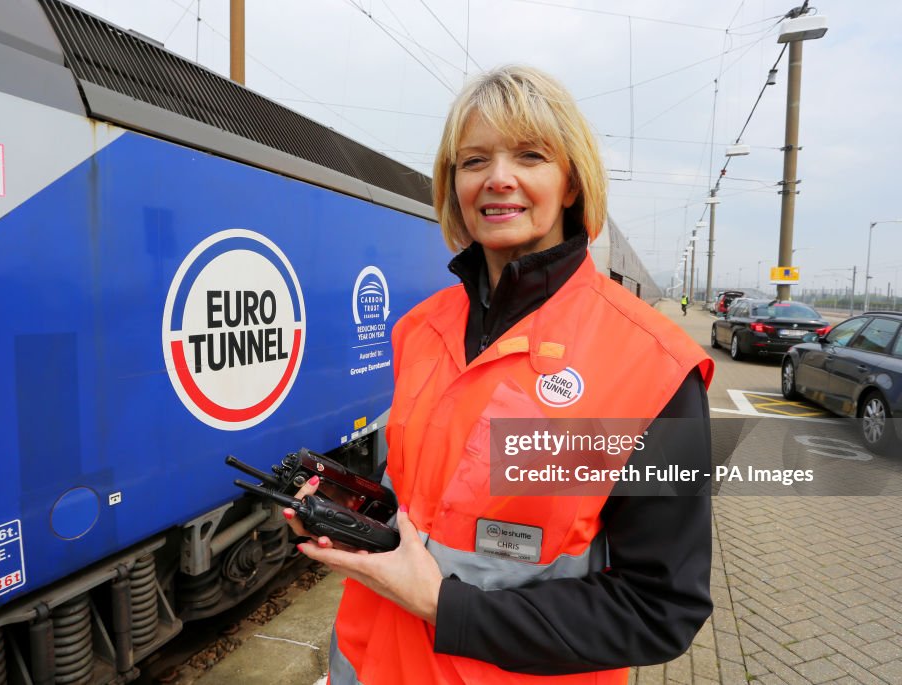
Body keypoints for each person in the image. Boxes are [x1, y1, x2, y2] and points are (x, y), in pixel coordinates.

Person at [290, 65, 715, 684]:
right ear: (454, 185)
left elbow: (660, 609)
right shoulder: (418, 331)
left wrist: (445, 607)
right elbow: (423, 508)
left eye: (530, 155)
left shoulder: (658, 367)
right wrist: (355, 517)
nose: (498, 178)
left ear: (571, 184)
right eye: (473, 160)